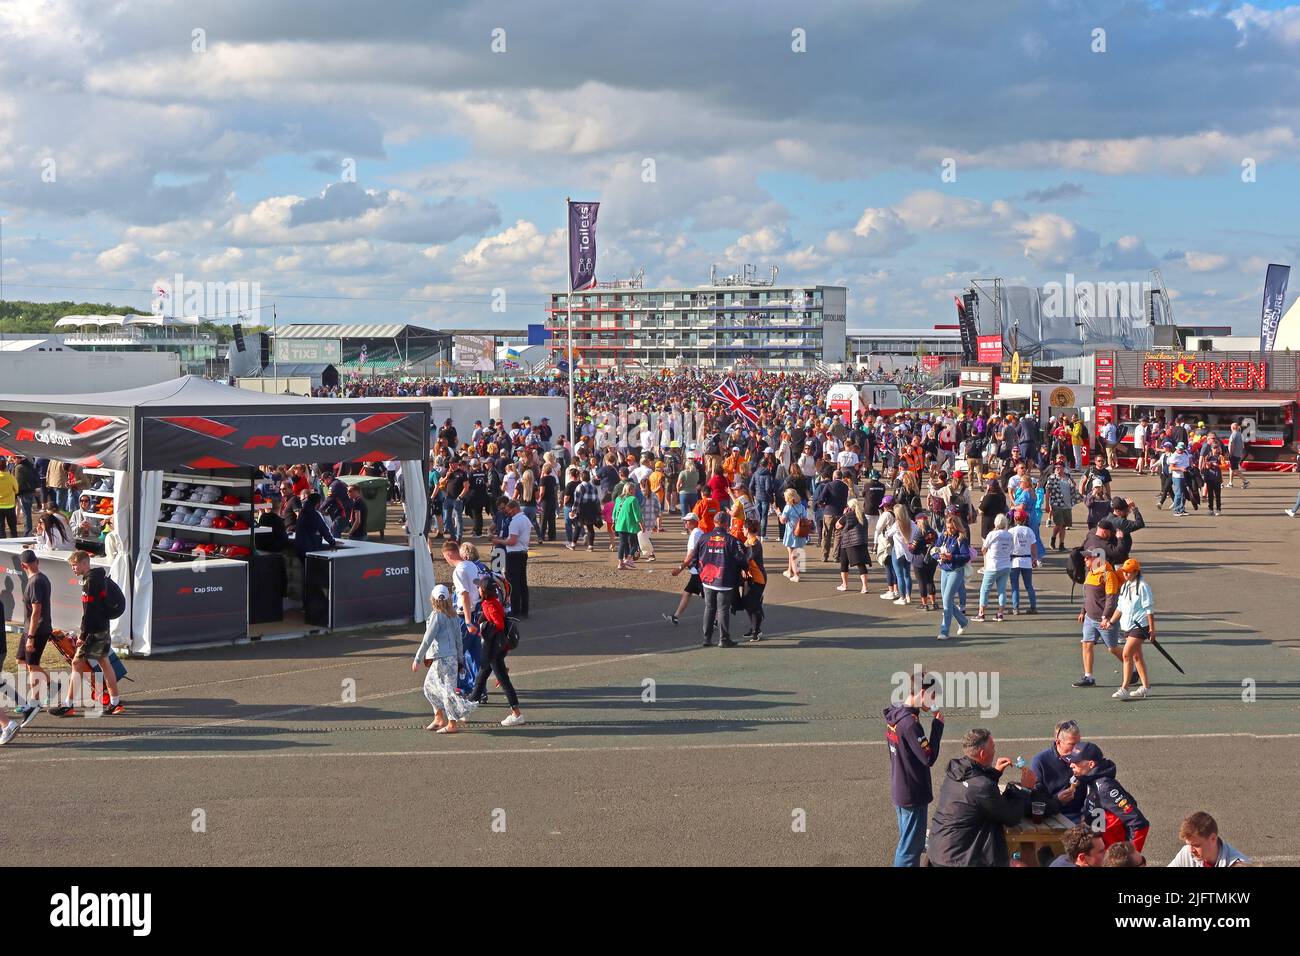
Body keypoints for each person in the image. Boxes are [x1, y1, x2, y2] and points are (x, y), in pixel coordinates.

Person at [927, 728, 1036, 867]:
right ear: (983, 753)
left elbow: (975, 793)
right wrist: (1026, 789)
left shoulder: (955, 772)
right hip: (960, 859)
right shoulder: (982, 786)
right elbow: (1010, 817)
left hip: (939, 851)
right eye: (993, 747)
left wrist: (994, 773)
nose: (995, 751)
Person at [50, 551, 123, 717]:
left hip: (93, 631)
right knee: (104, 662)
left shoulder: (89, 582)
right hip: (103, 626)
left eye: (74, 565)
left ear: (84, 563)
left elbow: (89, 612)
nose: (73, 569)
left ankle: (68, 704)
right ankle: (115, 702)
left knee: (77, 663)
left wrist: (82, 635)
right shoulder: (99, 578)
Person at [884, 675, 945, 867]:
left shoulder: (897, 714)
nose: (934, 699)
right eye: (932, 695)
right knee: (910, 849)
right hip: (912, 792)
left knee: (909, 842)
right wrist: (938, 725)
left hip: (901, 786)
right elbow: (928, 757)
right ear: (922, 693)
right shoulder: (910, 724)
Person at [413, 584, 476, 734]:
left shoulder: (436, 616)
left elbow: (427, 639)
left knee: (435, 688)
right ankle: (440, 717)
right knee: (442, 689)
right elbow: (458, 640)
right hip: (452, 658)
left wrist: (417, 658)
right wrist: (460, 660)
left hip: (441, 659)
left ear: (433, 599)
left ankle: (451, 722)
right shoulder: (453, 615)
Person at [1067, 741, 1150, 851]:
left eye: (1076, 762)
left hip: (1112, 856)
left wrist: (1129, 858)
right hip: (1100, 851)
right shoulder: (1090, 780)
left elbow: (1139, 823)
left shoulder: (1105, 788)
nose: (1071, 765)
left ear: (1091, 764)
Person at [468, 578, 525, 726]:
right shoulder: (492, 602)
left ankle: (516, 714)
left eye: (479, 587)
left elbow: (498, 624)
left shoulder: (489, 605)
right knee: (481, 676)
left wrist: (484, 629)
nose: (477, 589)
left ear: (484, 591)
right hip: (495, 649)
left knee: (503, 681)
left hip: (494, 650)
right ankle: (466, 708)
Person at [1073, 548, 1122, 689]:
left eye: (1088, 558)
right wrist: (1083, 611)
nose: (1085, 560)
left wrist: (1105, 617)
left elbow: (1111, 599)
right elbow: (1088, 596)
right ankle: (1089, 677)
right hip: (1090, 618)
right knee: (1086, 644)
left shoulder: (1108, 575)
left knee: (1112, 648)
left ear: (1096, 559)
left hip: (1103, 620)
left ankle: (1133, 669)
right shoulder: (1091, 573)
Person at [696, 517, 747, 647]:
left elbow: (695, 556)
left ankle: (706, 639)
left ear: (714, 522)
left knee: (709, 608)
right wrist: (744, 569)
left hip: (707, 580)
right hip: (725, 580)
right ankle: (723, 639)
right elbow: (742, 559)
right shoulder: (732, 540)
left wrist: (699, 571)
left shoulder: (704, 537)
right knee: (723, 609)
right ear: (725, 523)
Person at [1113, 558, 1155, 700]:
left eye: (1129, 572)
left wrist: (1152, 629)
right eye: (1124, 572)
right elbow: (1120, 608)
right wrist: (1110, 622)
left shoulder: (1143, 586)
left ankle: (1124, 688)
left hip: (1140, 626)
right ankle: (1146, 687)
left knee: (1126, 654)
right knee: (1137, 656)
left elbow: (1149, 609)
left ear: (1136, 572)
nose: (1126, 575)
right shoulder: (1125, 586)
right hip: (1127, 626)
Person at [1031, 719, 1086, 823]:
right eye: (1072, 744)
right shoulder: (1041, 761)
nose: (1077, 749)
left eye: (1079, 743)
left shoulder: (1084, 757)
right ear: (1058, 742)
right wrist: (1057, 800)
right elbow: (1036, 800)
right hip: (1054, 815)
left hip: (1082, 813)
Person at [665, 512, 707, 626]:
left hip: (699, 571)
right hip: (697, 570)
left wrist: (680, 568)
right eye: (685, 520)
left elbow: (691, 554)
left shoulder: (695, 534)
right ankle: (676, 616)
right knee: (687, 592)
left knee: (708, 598)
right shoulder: (696, 532)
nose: (685, 523)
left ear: (694, 522)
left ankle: (716, 619)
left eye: (687, 521)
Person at [492, 499, 531, 618]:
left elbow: (512, 541)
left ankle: (515, 611)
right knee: (522, 583)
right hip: (523, 553)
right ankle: (524, 610)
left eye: (509, 511)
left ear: (514, 509)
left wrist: (498, 541)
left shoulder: (515, 522)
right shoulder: (525, 519)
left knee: (513, 584)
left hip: (513, 555)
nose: (508, 513)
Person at [934, 514, 971, 641]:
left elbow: (966, 556)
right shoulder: (944, 536)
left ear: (957, 527)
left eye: (952, 528)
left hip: (956, 570)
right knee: (946, 600)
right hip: (944, 569)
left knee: (947, 600)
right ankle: (963, 621)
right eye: (948, 527)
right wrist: (939, 556)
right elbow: (935, 549)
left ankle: (944, 631)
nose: (950, 530)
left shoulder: (961, 539)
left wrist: (952, 557)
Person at [1167, 811, 1250, 867]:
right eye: (1189, 845)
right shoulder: (1186, 854)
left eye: (1196, 845)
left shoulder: (1238, 864)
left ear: (1213, 838)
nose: (1191, 850)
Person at [975, 513, 1011, 622]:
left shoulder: (992, 534)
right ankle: (1000, 613)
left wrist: (987, 554)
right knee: (1001, 590)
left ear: (995, 523)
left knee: (985, 589)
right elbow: (1011, 548)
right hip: (1005, 565)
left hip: (993, 565)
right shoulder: (1009, 535)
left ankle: (981, 613)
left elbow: (983, 548)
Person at [835, 497, 872, 594]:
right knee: (861, 564)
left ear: (849, 507)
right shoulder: (863, 516)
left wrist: (843, 514)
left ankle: (844, 584)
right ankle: (865, 586)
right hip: (861, 542)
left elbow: (837, 526)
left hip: (848, 542)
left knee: (844, 563)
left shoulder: (847, 515)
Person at [739, 518, 767, 641]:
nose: (742, 530)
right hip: (751, 577)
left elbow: (747, 559)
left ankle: (756, 631)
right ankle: (754, 628)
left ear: (748, 529)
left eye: (743, 528)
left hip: (758, 578)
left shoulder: (754, 543)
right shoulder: (748, 542)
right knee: (747, 603)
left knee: (753, 604)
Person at [1008, 509, 1037, 615]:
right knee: (1029, 585)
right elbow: (1033, 546)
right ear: (1025, 519)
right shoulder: (1029, 531)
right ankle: (1033, 607)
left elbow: (1008, 547)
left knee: (1015, 585)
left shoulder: (1011, 531)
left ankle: (1015, 608)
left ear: (1015, 519)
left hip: (1014, 561)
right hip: (1027, 560)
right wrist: (1034, 558)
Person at [778, 487, 809, 583]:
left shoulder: (788, 507)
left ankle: (796, 574)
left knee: (793, 554)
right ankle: (789, 571)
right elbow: (805, 518)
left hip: (791, 532)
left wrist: (778, 513)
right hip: (800, 531)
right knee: (793, 552)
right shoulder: (802, 507)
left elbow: (783, 521)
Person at [294, 492, 338, 561]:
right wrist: (332, 542)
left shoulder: (302, 513)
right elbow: (324, 530)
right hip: (311, 549)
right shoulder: (314, 515)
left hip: (299, 548)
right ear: (317, 503)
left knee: (304, 569)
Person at [612, 481, 642, 571]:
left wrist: (614, 522)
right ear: (630, 489)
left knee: (623, 543)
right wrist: (642, 526)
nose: (635, 491)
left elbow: (614, 512)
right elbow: (637, 514)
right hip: (631, 525)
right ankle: (628, 559)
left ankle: (620, 563)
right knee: (635, 544)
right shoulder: (633, 499)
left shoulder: (618, 498)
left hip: (620, 525)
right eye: (634, 489)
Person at [0, 458, 18, 537]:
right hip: (10, 505)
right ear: (5, 466)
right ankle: (16, 543)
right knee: (13, 527)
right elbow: (16, 490)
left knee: (1, 528)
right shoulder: (11, 477)